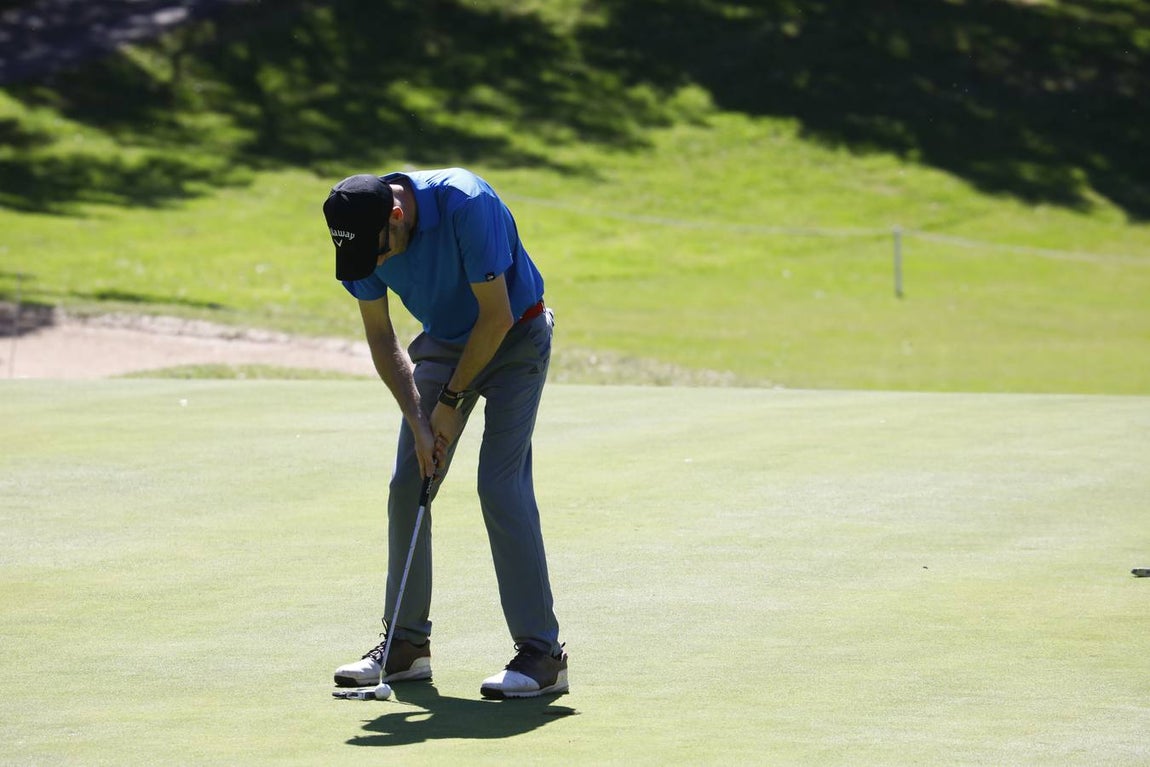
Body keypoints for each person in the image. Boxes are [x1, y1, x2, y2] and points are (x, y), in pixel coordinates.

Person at [322, 168, 567, 699]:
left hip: (516, 334)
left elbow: (496, 316)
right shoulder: (360, 231)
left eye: (381, 250)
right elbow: (380, 335)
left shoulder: (465, 203)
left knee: (499, 486)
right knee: (408, 481)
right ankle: (406, 648)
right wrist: (418, 420)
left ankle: (543, 656)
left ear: (396, 214)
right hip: (445, 342)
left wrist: (451, 404)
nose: (379, 263)